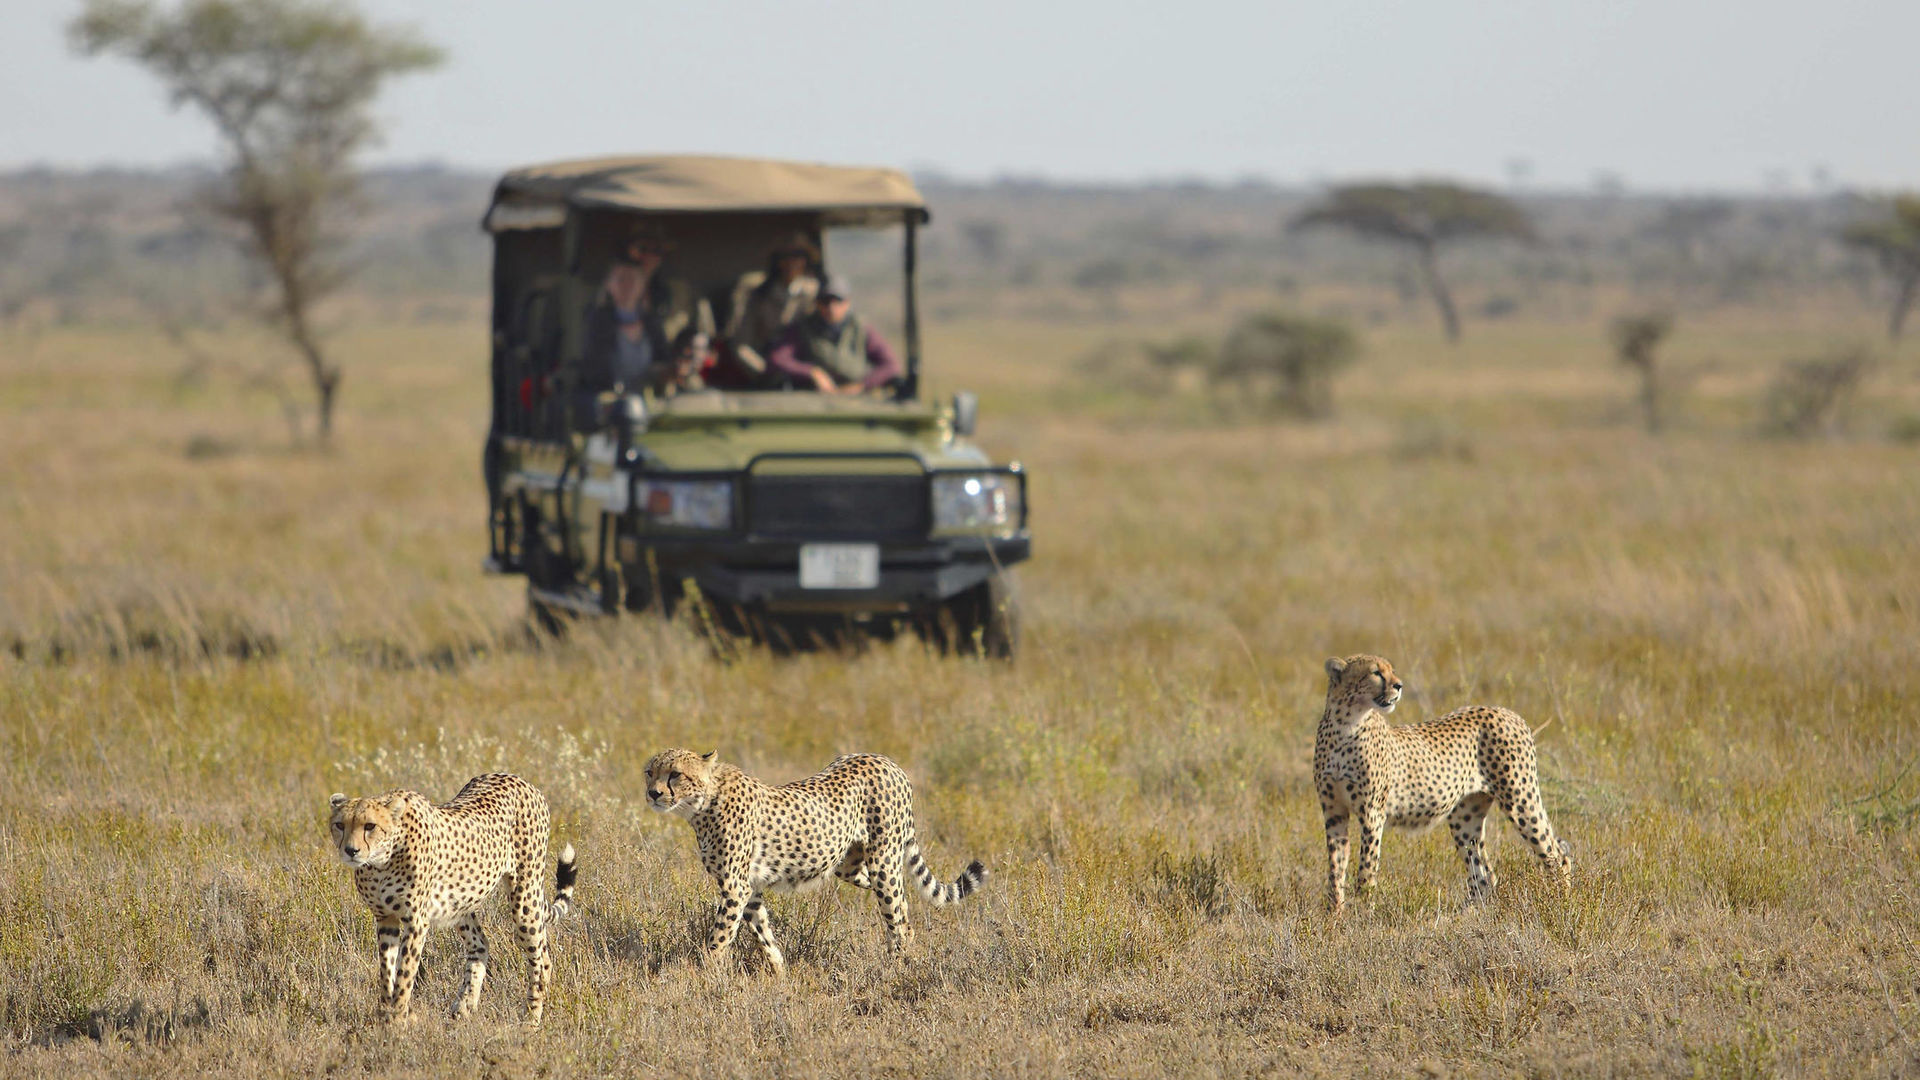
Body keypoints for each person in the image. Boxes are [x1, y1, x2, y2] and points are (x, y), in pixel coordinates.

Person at [764, 275, 902, 394]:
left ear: (847, 303)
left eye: (838, 301)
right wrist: (812, 372)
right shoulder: (802, 329)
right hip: (814, 400)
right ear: (817, 303)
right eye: (826, 301)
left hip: (858, 400)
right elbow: (777, 358)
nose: (831, 308)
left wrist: (861, 386)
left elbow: (891, 365)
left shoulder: (861, 329)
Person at [727, 232, 820, 378]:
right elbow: (741, 344)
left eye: (798, 256)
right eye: (786, 257)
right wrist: (763, 371)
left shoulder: (814, 293)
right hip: (764, 369)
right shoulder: (758, 295)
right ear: (777, 261)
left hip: (804, 371)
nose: (792, 263)